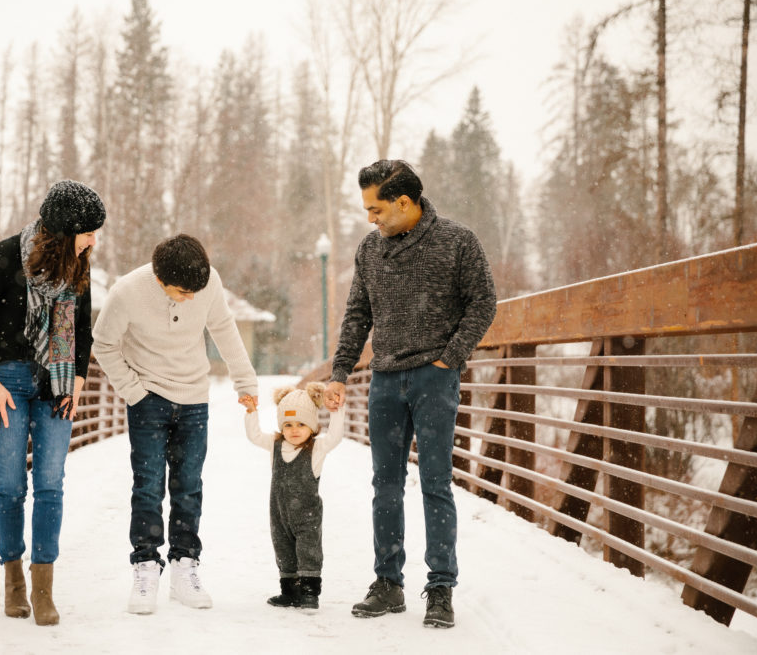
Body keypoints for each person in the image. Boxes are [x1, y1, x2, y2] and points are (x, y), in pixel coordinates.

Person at [324, 159, 496, 628]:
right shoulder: (369, 250)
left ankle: (440, 588)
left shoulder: (457, 241)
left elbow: (483, 301)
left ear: (404, 202)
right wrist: (340, 372)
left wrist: (450, 358)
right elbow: (357, 314)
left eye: (376, 209)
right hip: (384, 381)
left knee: (436, 483)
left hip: (434, 379)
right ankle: (388, 583)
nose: (370, 218)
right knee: (385, 485)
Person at [92, 234, 259, 615]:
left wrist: (245, 383)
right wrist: (134, 392)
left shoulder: (207, 282)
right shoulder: (126, 293)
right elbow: (103, 344)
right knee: (148, 487)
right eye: (182, 292)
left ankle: (185, 566)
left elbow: (224, 329)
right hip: (147, 398)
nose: (189, 298)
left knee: (188, 487)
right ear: (158, 277)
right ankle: (146, 566)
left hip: (194, 398)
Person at [0, 179, 106, 626]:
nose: (93, 241)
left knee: (49, 485)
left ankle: (43, 589)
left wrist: (78, 378)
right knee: (10, 486)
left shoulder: (77, 268)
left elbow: (82, 329)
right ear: (67, 230)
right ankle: (13, 583)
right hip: (4, 384)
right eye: (88, 232)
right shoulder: (6, 256)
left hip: (56, 384)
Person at [243, 383, 344, 610]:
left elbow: (336, 436)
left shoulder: (316, 449)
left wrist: (337, 411)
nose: (294, 430)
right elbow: (254, 436)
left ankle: (309, 592)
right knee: (283, 550)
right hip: (279, 513)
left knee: (308, 551)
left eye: (301, 424)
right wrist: (251, 412)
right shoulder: (275, 445)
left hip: (307, 515)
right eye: (288, 425)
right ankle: (288, 591)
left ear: (312, 426)